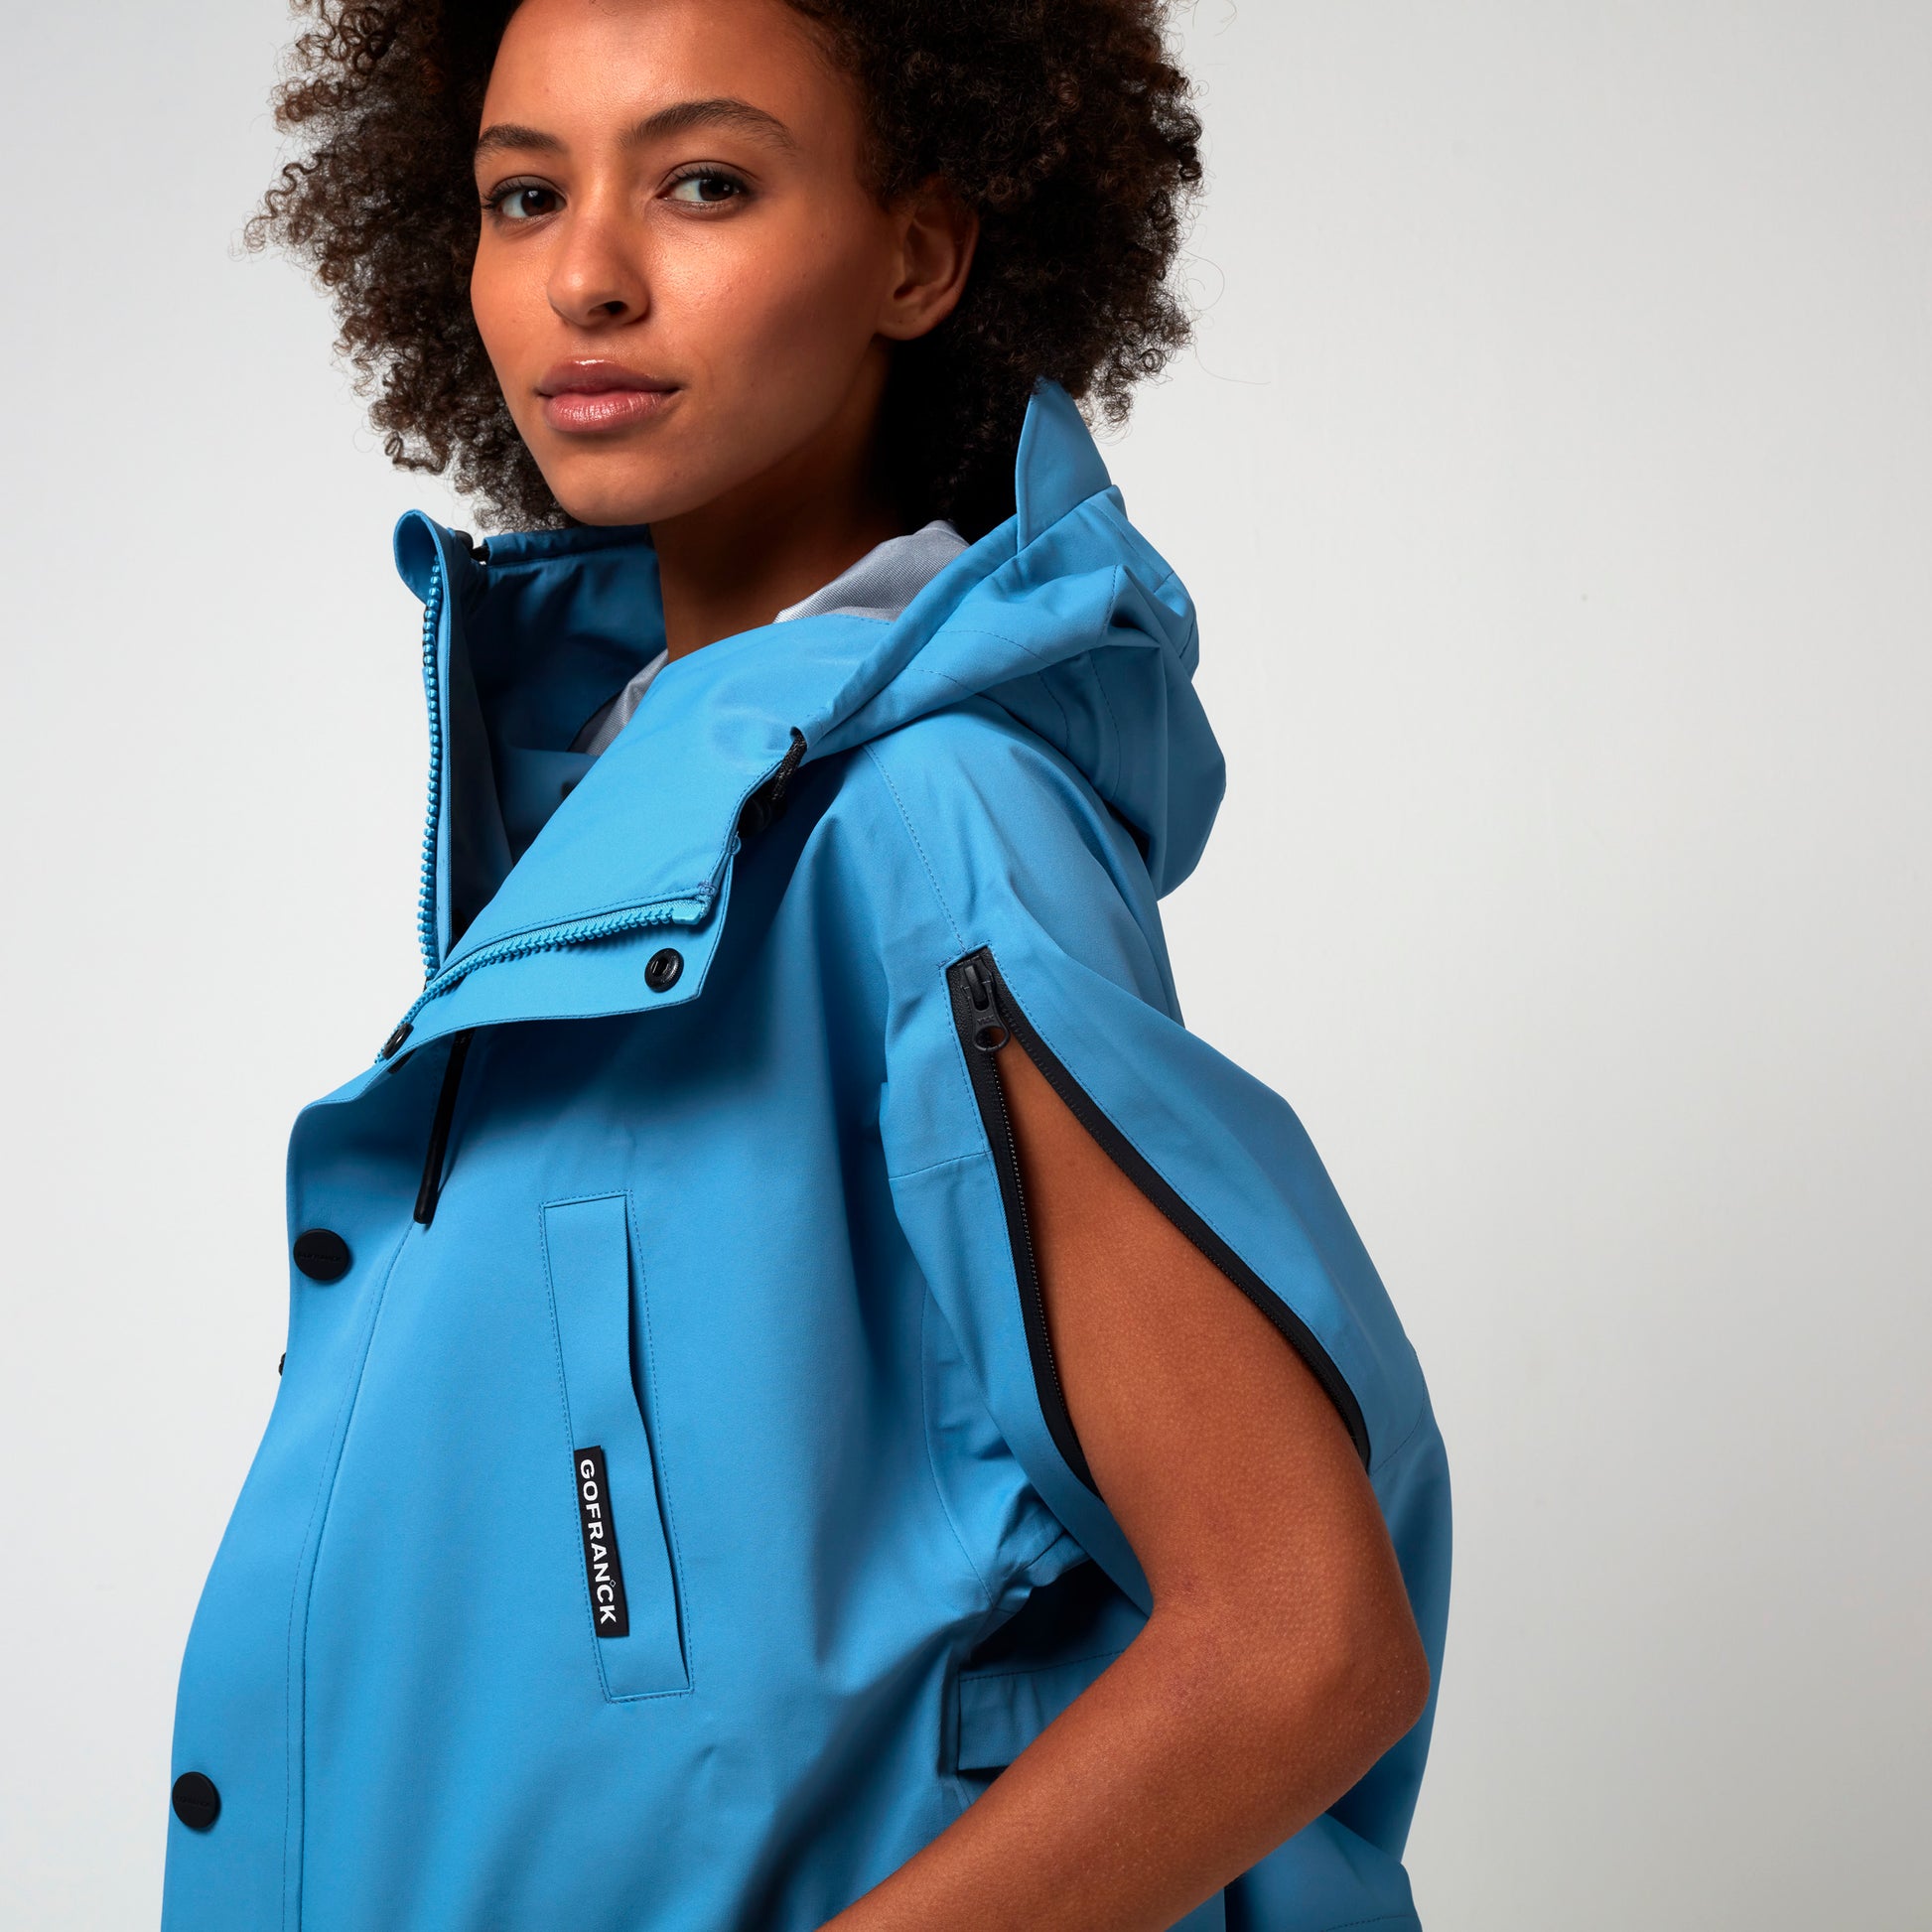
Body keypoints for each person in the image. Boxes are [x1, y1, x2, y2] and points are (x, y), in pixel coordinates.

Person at [162, 2, 1450, 1927]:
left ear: (917, 254)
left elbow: (1296, 1636)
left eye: (702, 183)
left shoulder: (928, 820)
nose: (587, 277)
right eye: (524, 196)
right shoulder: (631, 806)